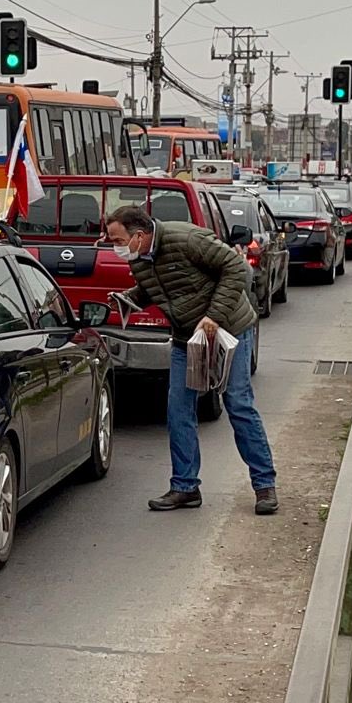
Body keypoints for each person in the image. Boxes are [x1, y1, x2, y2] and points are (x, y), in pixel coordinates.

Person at [105, 206, 279, 515]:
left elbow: (236, 269)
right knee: (178, 410)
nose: (114, 246)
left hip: (231, 329)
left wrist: (213, 316)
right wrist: (129, 298)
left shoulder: (186, 239)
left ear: (139, 236)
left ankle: (264, 485)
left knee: (238, 403)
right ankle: (185, 487)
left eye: (117, 239)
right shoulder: (140, 258)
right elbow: (156, 288)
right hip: (187, 338)